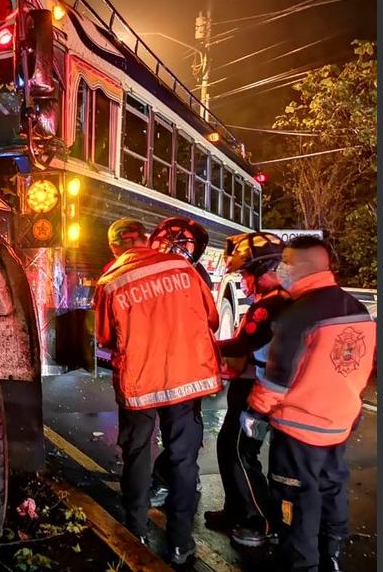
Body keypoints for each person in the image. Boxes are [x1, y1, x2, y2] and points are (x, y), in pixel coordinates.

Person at [242, 236, 376, 571]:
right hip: (339, 422)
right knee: (332, 487)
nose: (280, 268)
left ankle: (301, 563)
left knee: (295, 499)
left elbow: (277, 380)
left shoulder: (296, 315)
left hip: (298, 429)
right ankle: (331, 553)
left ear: (302, 266)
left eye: (285, 262)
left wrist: (254, 413)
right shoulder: (356, 308)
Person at [94, 218, 222, 565]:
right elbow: (211, 318)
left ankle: (135, 530)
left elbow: (105, 338)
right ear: (146, 239)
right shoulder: (183, 268)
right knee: (183, 460)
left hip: (140, 383)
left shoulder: (110, 281)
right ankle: (180, 543)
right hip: (186, 378)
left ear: (114, 246)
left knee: (137, 454)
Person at [202, 233, 291, 549]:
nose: (243, 281)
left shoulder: (273, 304)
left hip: (259, 392)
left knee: (242, 451)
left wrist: (206, 345)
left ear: (263, 269)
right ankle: (237, 510)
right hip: (251, 385)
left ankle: (260, 522)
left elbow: (243, 343)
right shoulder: (275, 300)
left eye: (246, 273)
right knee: (229, 446)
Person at [145, 217, 213, 508]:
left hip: (184, 370)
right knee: (176, 432)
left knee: (181, 434)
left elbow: (207, 321)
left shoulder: (195, 278)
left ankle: (170, 483)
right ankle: (182, 479)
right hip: (165, 368)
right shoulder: (156, 273)